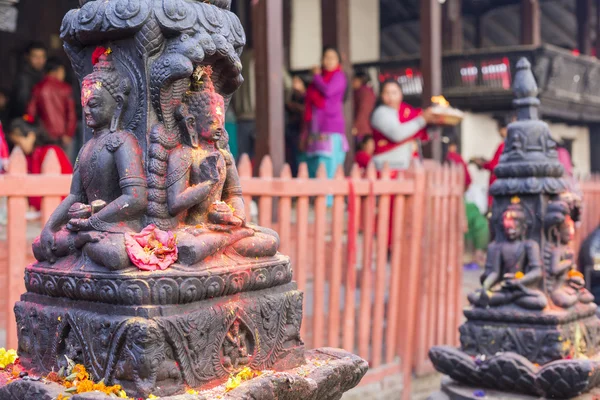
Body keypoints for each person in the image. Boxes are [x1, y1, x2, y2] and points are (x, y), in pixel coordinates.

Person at [302, 46, 349, 184]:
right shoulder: (319, 79)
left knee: (330, 166)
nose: (329, 61)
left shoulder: (339, 77)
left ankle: (328, 201)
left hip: (331, 128)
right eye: (326, 57)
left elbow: (328, 91)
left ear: (338, 61)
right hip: (317, 128)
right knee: (316, 164)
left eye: (332, 58)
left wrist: (316, 76)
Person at [6, 117, 73, 212]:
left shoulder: (51, 152)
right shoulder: (29, 157)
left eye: (19, 142)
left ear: (31, 136)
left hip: (58, 209)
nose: (18, 147)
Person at [370, 79, 438, 172]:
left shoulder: (407, 111)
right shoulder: (381, 112)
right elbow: (397, 134)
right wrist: (422, 119)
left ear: (401, 94)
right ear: (381, 95)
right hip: (387, 166)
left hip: (406, 165)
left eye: (394, 93)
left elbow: (421, 135)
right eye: (387, 93)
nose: (390, 97)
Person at [445, 136, 488, 268]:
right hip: (457, 197)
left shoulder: (440, 157)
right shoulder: (456, 158)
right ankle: (474, 254)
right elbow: (468, 181)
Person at [26, 57, 77, 152]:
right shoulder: (65, 88)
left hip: (44, 137)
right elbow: (71, 114)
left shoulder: (38, 88)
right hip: (63, 137)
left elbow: (30, 113)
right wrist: (68, 134)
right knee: (65, 165)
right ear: (57, 71)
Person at [470, 113, 515, 212]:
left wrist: (482, 164)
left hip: (499, 187)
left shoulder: (504, 145)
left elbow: (495, 166)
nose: (499, 132)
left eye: (499, 129)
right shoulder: (511, 145)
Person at [10, 42, 47, 120]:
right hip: (27, 121)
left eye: (42, 56)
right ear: (27, 57)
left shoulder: (44, 75)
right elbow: (22, 102)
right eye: (35, 56)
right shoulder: (24, 77)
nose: (39, 60)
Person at [285, 75, 306, 177]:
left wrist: (295, 106)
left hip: (301, 131)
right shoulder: (290, 96)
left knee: (300, 160)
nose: (295, 85)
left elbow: (305, 110)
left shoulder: (305, 97)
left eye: (297, 82)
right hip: (291, 131)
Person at [352, 70, 376, 141]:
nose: (352, 82)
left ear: (360, 80)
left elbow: (363, 111)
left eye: (353, 80)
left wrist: (356, 127)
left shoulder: (364, 93)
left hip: (361, 131)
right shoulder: (360, 92)